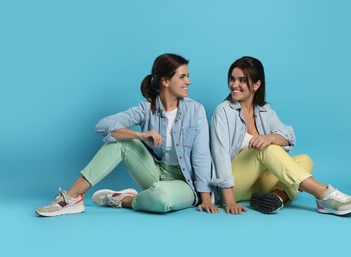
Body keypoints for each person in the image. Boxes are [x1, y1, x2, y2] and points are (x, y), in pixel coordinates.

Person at [36, 53, 218, 217]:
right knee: (119, 142)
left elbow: (201, 156)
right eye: (183, 77)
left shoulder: (195, 110)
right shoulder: (147, 108)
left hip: (184, 183)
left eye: (188, 76)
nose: (188, 82)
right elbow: (102, 126)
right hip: (155, 172)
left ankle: (124, 200)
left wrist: (206, 199)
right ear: (165, 81)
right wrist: (139, 136)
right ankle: (72, 197)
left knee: (162, 199)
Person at [210, 56, 351, 216]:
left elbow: (289, 136)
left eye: (242, 80)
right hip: (231, 187)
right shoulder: (223, 111)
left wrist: (269, 137)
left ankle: (277, 197)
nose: (234, 85)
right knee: (266, 150)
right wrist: (229, 201)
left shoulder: (264, 111)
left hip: (255, 187)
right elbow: (219, 157)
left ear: (257, 84)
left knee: (304, 159)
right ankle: (324, 195)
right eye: (232, 79)